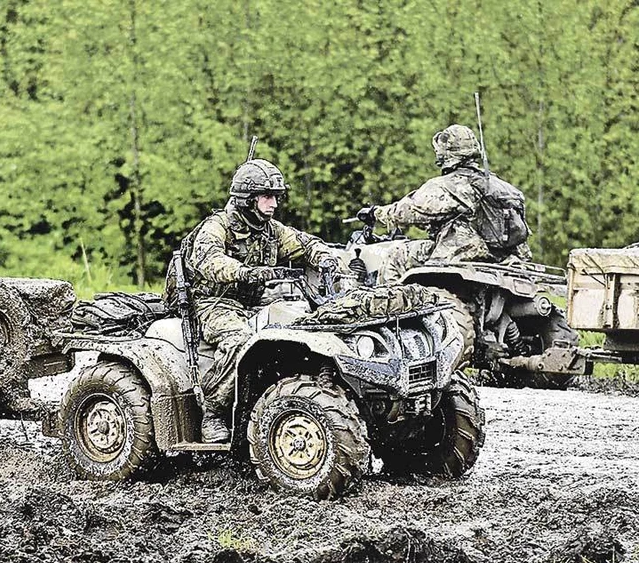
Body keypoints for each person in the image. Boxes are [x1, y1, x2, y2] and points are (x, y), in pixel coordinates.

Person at [176, 158, 336, 443]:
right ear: (247, 198)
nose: (273, 203)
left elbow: (304, 244)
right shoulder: (217, 226)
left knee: (303, 326)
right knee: (238, 341)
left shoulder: (271, 229)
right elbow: (209, 261)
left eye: (276, 196)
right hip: (216, 302)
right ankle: (212, 411)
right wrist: (245, 273)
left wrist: (325, 258)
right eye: (266, 196)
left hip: (257, 301)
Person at [357, 124, 532, 284]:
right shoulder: (504, 187)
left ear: (447, 154)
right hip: (508, 261)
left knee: (397, 255)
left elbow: (407, 211)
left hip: (464, 254)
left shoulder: (448, 185)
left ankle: (394, 312)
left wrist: (375, 213)